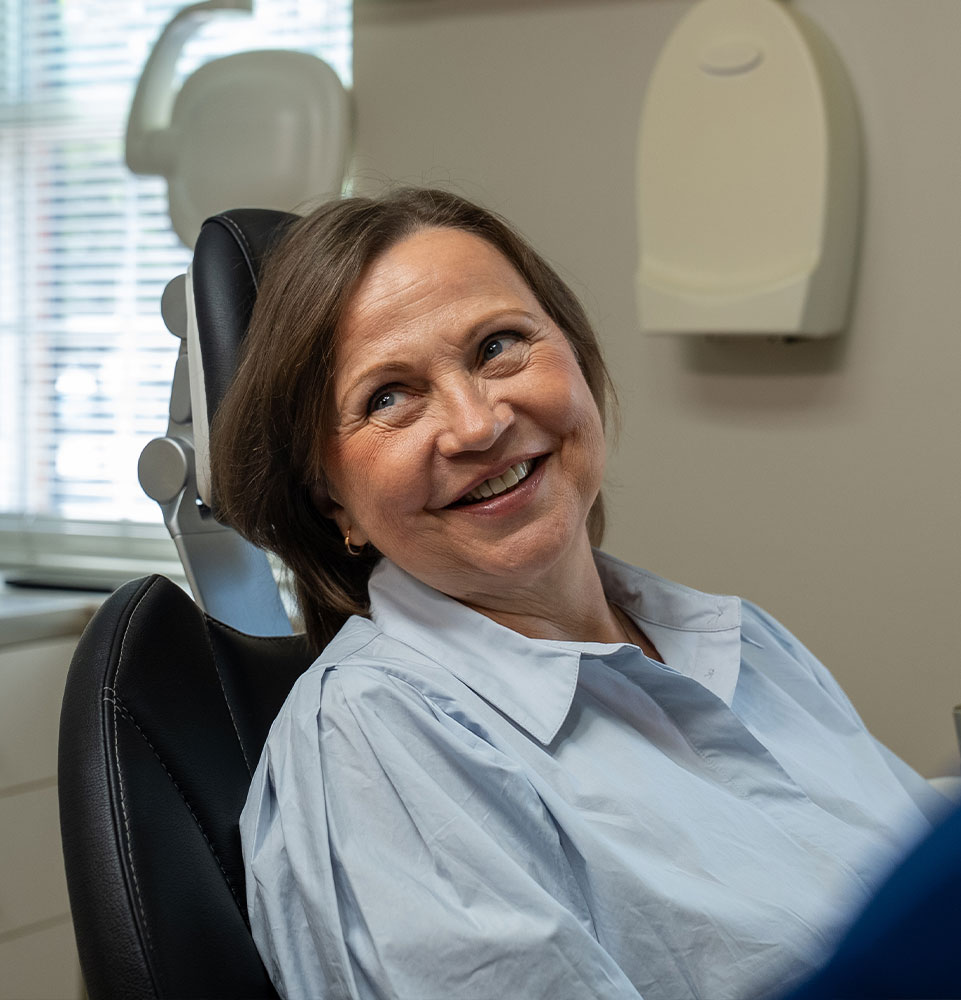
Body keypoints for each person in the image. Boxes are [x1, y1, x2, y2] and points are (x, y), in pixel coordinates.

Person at [210, 188, 946, 1000]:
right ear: (331, 501)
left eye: (497, 346)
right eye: (389, 396)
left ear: (576, 358)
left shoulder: (739, 641)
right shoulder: (374, 745)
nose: (477, 424)